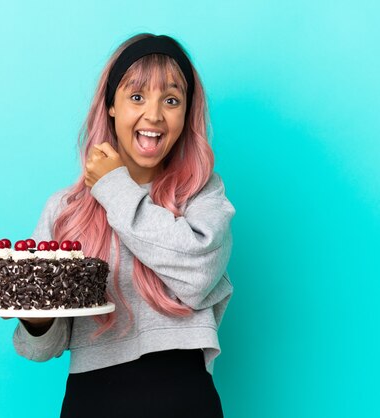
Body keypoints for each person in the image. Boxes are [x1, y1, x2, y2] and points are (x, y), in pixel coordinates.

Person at [13, 33, 235, 418]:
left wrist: (113, 186)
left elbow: (199, 274)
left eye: (171, 99)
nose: (153, 115)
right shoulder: (66, 210)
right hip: (92, 400)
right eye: (136, 96)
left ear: (186, 114)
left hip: (184, 397)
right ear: (111, 105)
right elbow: (41, 349)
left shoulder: (203, 196)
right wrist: (36, 318)